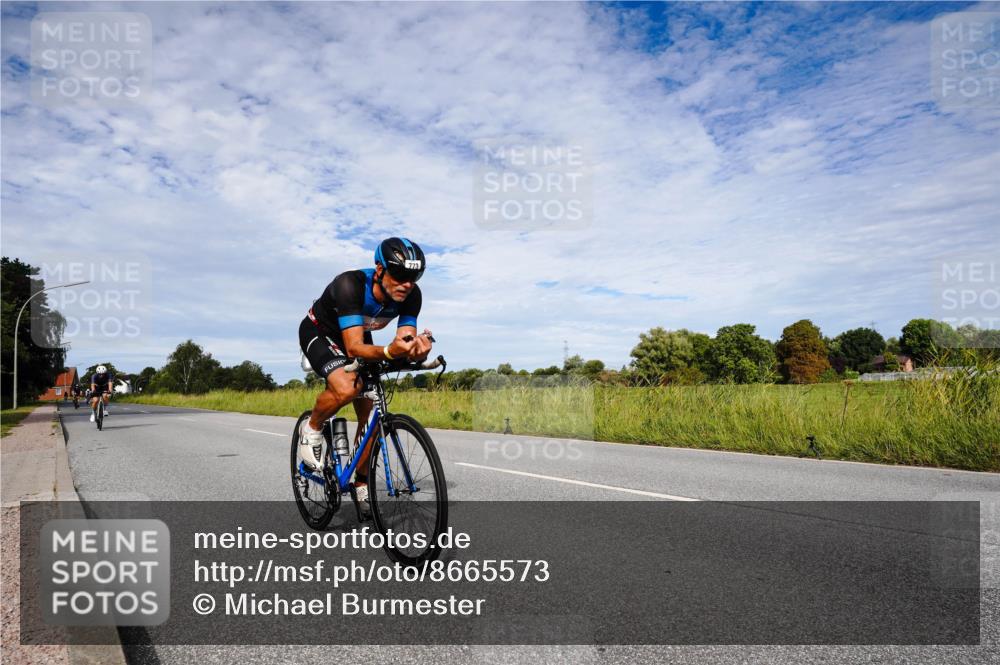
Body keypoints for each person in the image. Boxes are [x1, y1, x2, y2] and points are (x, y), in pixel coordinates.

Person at [298, 238, 433, 511]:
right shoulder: (351, 285)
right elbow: (354, 348)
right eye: (400, 275)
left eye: (414, 277)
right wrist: (387, 351)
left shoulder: (412, 296)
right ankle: (311, 427)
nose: (407, 283)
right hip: (321, 333)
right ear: (380, 269)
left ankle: (361, 482)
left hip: (358, 334)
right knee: (348, 387)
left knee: (371, 412)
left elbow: (403, 341)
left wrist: (417, 351)